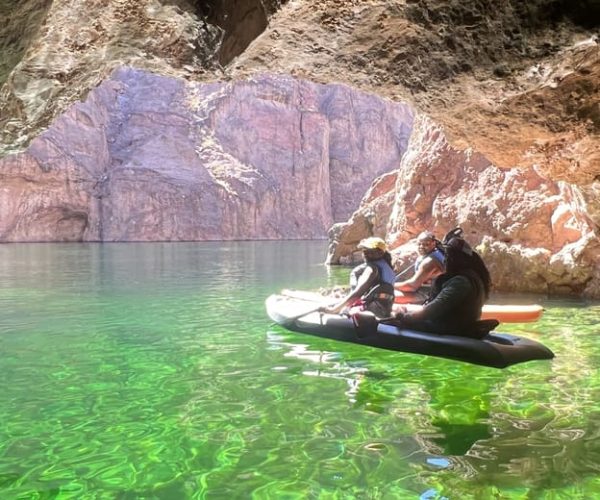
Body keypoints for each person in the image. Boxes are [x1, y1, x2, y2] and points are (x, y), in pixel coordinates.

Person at [393, 230, 492, 337]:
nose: (445, 260)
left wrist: (404, 317)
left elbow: (434, 309)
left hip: (449, 330)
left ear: (456, 259)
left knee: (393, 319)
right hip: (458, 327)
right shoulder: (473, 276)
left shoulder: (461, 282)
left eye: (448, 257)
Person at [320, 237, 396, 319]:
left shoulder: (371, 269)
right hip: (385, 310)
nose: (365, 253)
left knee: (342, 309)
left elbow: (357, 293)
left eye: (370, 251)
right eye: (364, 250)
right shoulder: (388, 268)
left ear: (380, 253)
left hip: (371, 311)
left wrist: (333, 310)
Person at [394, 231, 445, 304]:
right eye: (419, 244)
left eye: (425, 244)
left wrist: (390, 285)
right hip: (424, 290)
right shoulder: (433, 253)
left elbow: (412, 286)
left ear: (433, 244)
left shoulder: (430, 262)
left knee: (388, 296)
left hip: (429, 295)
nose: (421, 247)